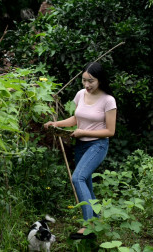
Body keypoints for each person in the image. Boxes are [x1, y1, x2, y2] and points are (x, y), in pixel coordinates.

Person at [44, 62, 117, 240]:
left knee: (78, 178)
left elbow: (110, 131)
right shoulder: (80, 95)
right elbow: (76, 118)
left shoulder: (108, 100)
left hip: (98, 145)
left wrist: (84, 132)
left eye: (91, 81)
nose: (86, 85)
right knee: (87, 184)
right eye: (84, 80)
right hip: (81, 146)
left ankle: (88, 226)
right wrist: (57, 124)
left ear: (100, 80)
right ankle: (97, 221)